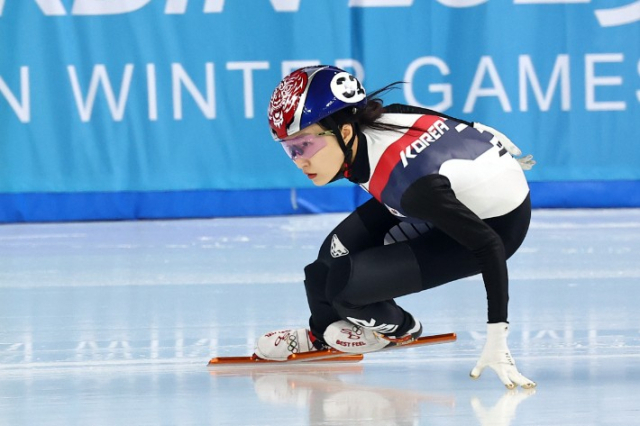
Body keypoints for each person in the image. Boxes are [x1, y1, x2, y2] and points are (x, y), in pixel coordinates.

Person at [256, 65, 537, 389]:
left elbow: (490, 246)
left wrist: (497, 337)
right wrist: (478, 131)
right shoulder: (377, 123)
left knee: (343, 288)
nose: (299, 161)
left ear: (345, 132)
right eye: (289, 150)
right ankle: (323, 335)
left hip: (497, 225)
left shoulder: (409, 185)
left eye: (303, 146)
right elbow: (427, 118)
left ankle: (401, 327)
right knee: (325, 264)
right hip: (448, 193)